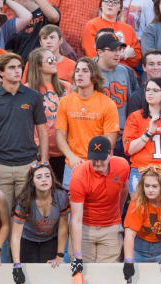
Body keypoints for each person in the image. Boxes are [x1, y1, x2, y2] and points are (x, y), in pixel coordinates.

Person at [0, 52, 48, 213]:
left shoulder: (33, 96)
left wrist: (44, 161)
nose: (17, 71)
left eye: (19, 67)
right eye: (11, 68)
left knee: (27, 214)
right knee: (1, 215)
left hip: (28, 165)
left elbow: (43, 131)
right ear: (0, 72)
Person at [55, 57, 119, 188]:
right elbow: (60, 136)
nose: (79, 74)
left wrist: (94, 160)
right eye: (77, 70)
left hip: (98, 163)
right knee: (71, 207)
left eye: (85, 71)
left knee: (96, 207)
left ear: (94, 76)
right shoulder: (65, 102)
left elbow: (110, 141)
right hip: (73, 165)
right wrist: (71, 157)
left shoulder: (108, 104)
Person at [69, 135, 129, 268]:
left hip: (111, 226)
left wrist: (118, 213)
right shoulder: (78, 176)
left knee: (108, 272)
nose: (97, 163)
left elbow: (124, 187)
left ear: (110, 154)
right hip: (85, 227)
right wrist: (77, 256)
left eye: (101, 159)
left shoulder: (122, 166)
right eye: (94, 159)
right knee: (83, 270)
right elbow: (76, 219)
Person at [122, 166, 161, 279]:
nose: (150, 190)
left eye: (154, 186)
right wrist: (128, 261)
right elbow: (130, 234)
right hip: (139, 249)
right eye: (147, 186)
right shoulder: (137, 202)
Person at [11, 160, 69, 265]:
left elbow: (63, 227)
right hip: (28, 239)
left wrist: (60, 256)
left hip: (50, 239)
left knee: (49, 270)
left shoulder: (61, 196)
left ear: (52, 178)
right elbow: (15, 235)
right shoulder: (24, 201)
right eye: (39, 177)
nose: (44, 180)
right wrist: (16, 265)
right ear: (32, 182)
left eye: (47, 176)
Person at [25, 47, 68, 182]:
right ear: (38, 65)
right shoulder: (26, 90)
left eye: (54, 58)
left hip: (64, 149)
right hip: (39, 151)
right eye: (50, 59)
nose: (54, 61)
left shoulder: (66, 87)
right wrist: (38, 146)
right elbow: (26, 121)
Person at [96, 32, 140, 157]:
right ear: (100, 52)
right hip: (97, 135)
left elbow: (135, 101)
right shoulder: (88, 70)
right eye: (112, 50)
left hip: (122, 136)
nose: (117, 53)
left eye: (119, 49)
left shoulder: (126, 71)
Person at [82, 0, 142, 69]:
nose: (110, 4)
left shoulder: (129, 29)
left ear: (120, 7)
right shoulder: (91, 26)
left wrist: (108, 53)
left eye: (115, 2)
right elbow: (93, 55)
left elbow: (137, 58)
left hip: (127, 74)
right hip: (102, 73)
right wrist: (124, 55)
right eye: (106, 1)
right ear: (101, 5)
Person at [126, 49, 161, 117]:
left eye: (159, 64)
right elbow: (132, 124)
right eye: (151, 64)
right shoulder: (136, 97)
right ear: (144, 67)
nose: (156, 67)